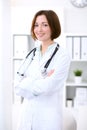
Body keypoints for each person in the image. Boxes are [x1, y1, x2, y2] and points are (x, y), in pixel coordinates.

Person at [15, 10, 70, 130]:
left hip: (48, 118)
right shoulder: (30, 54)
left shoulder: (62, 55)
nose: (39, 29)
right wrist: (41, 81)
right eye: (36, 25)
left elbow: (50, 85)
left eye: (45, 25)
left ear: (53, 26)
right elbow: (17, 86)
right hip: (26, 115)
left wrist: (28, 83)